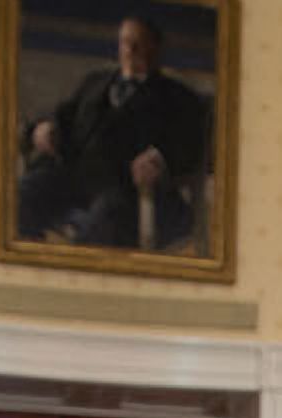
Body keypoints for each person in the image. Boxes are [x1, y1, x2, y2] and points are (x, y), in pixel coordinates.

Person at [13, 15, 212, 250]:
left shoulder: (178, 97)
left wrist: (160, 158)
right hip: (74, 176)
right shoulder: (95, 83)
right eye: (125, 42)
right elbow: (62, 118)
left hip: (125, 189)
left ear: (156, 48)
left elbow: (192, 143)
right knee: (20, 196)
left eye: (138, 43)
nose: (129, 50)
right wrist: (41, 129)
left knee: (100, 226)